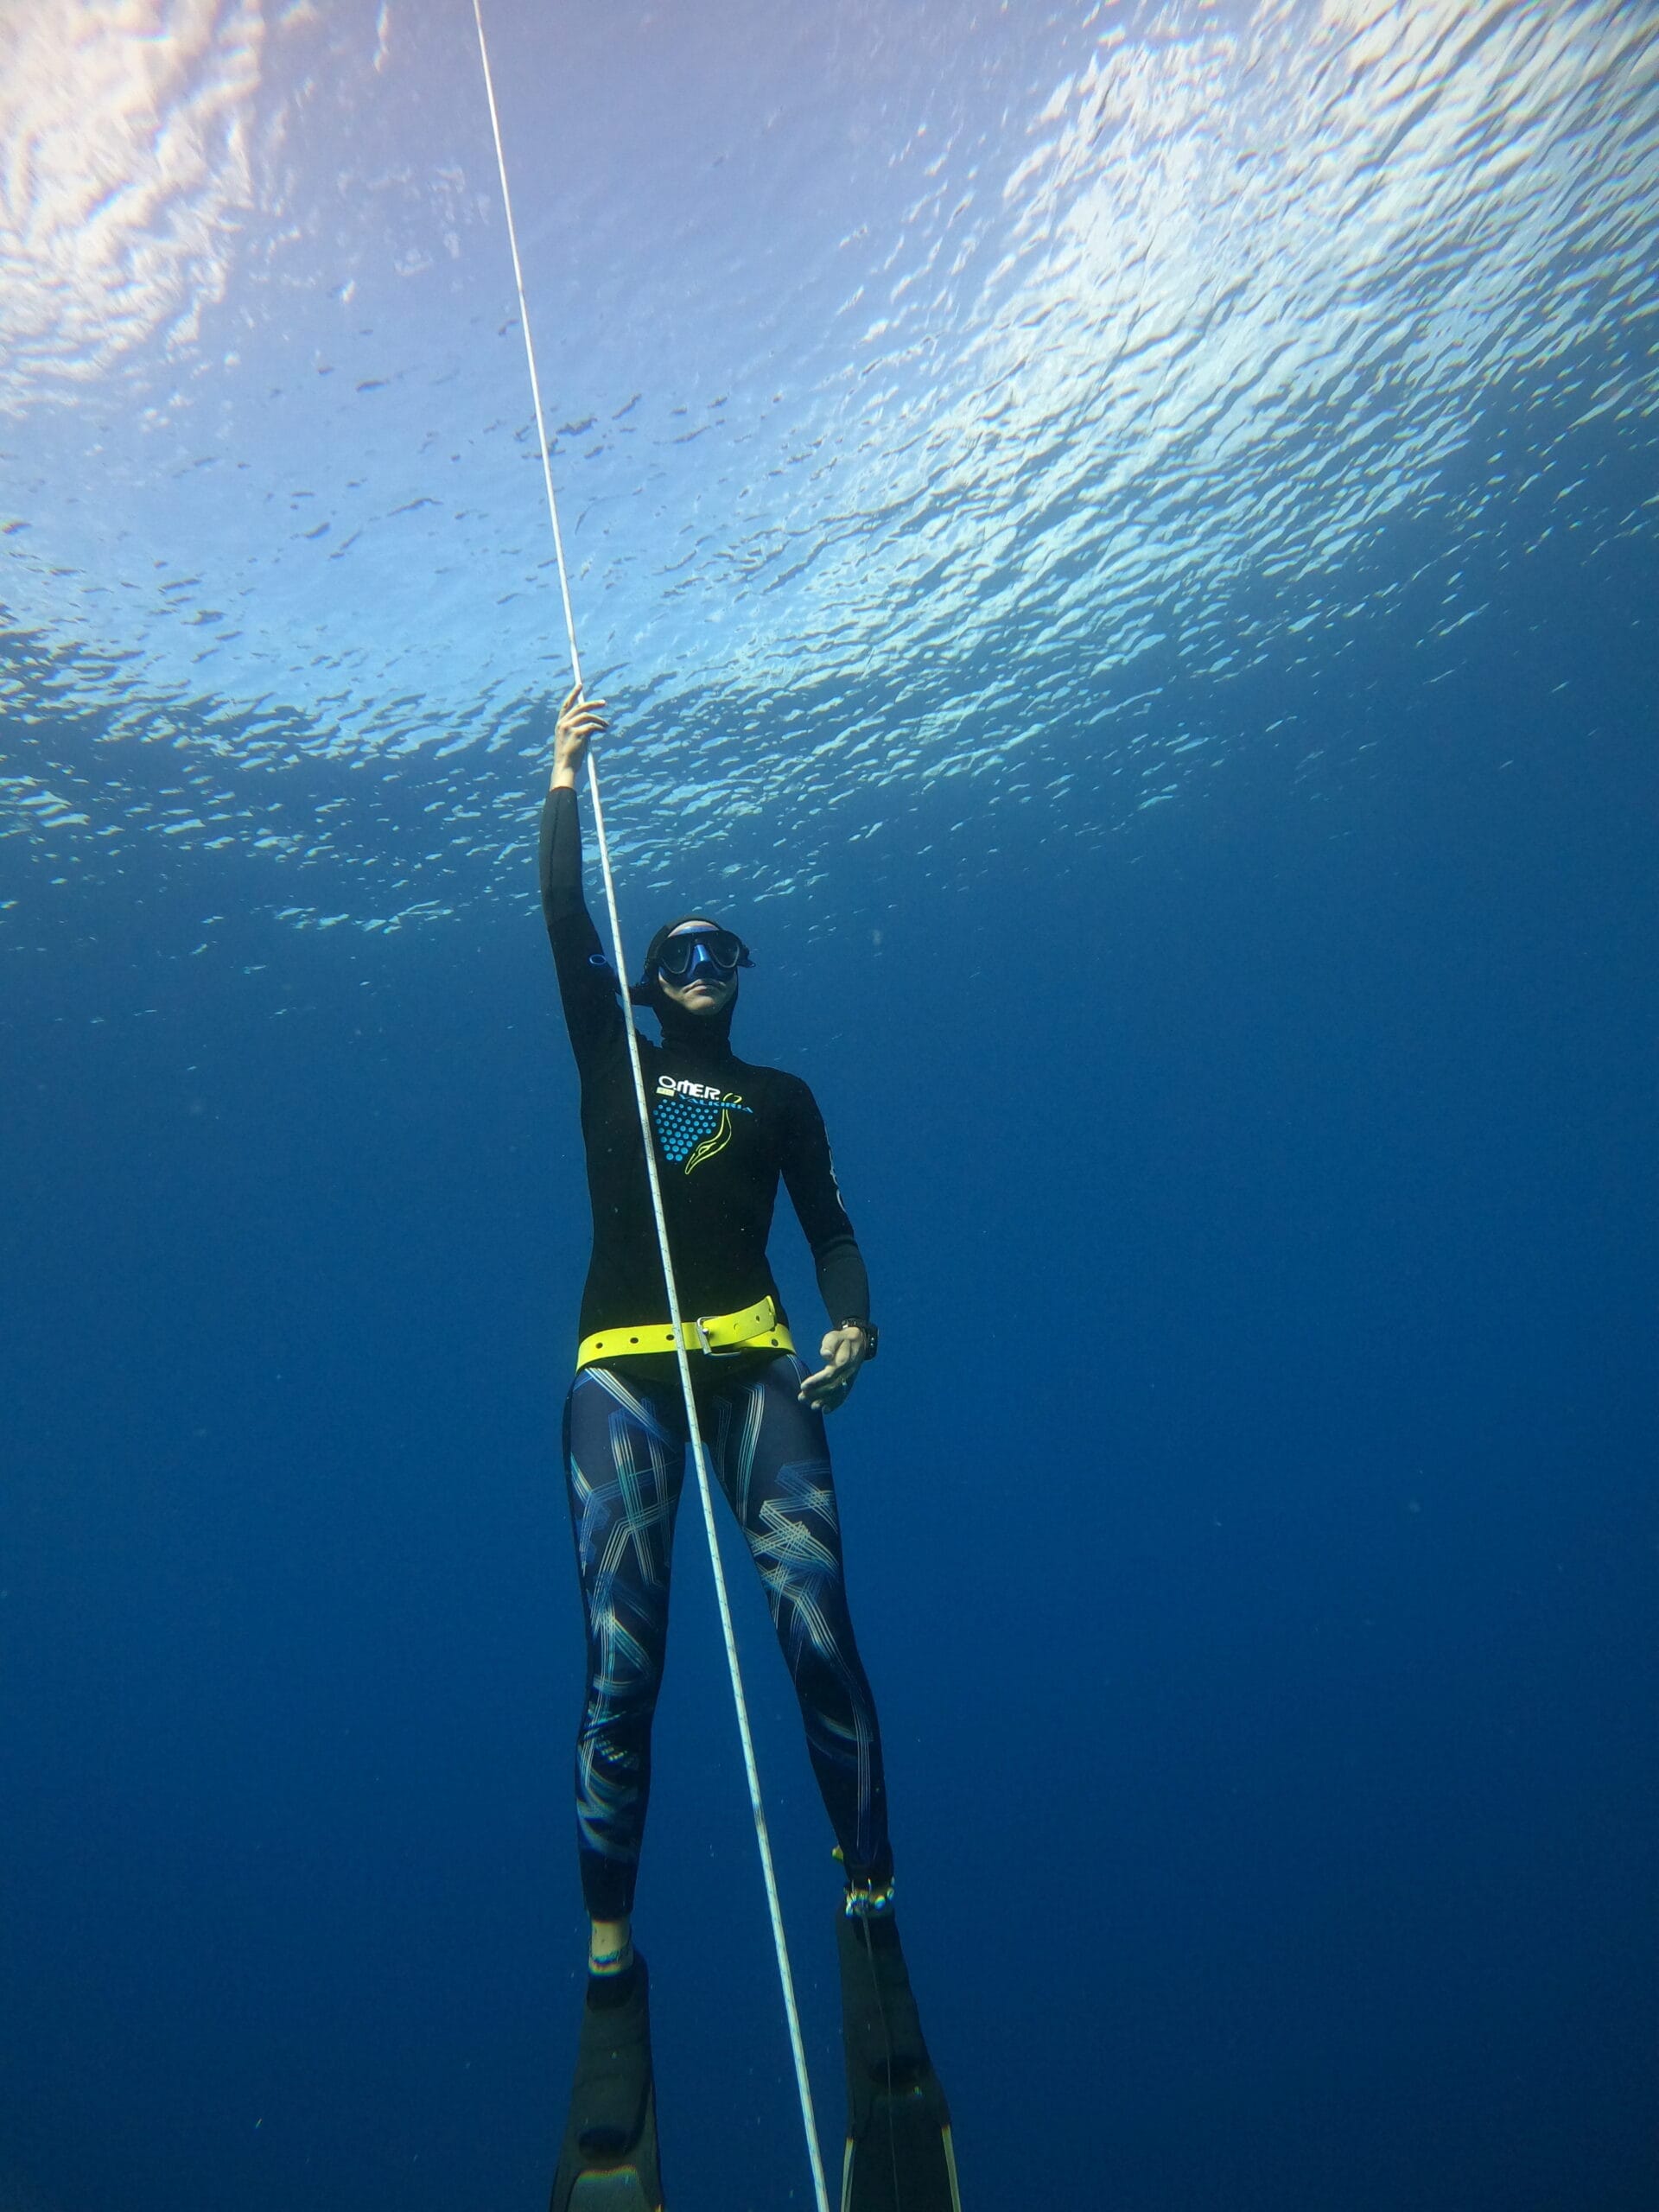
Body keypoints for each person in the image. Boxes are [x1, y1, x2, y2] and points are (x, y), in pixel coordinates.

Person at [540, 684, 957, 2212]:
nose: (700, 971)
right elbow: (565, 926)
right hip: (623, 1376)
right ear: (653, 983)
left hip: (757, 1365)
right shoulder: (611, 1053)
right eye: (679, 956)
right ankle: (609, 1967)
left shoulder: (781, 1098)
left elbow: (832, 1230)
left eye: (723, 955)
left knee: (819, 1629)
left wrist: (857, 1324)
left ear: (741, 978)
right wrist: (562, 779)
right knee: (623, 1665)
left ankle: (871, 1901)